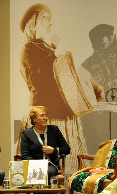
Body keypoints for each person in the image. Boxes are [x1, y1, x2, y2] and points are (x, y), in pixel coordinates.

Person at [19, 3, 93, 176]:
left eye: (50, 18)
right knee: (41, 159)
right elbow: (36, 81)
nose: (50, 21)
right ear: (34, 23)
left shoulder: (50, 48)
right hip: (45, 111)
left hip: (64, 110)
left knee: (69, 156)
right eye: (45, 18)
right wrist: (57, 57)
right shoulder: (29, 48)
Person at [20, 106, 71, 194]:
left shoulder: (54, 130)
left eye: (46, 115)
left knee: (48, 171)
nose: (45, 118)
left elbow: (66, 149)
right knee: (38, 172)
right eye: (42, 115)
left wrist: (54, 151)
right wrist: (36, 165)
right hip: (34, 166)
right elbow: (25, 155)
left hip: (51, 165)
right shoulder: (27, 133)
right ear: (34, 119)